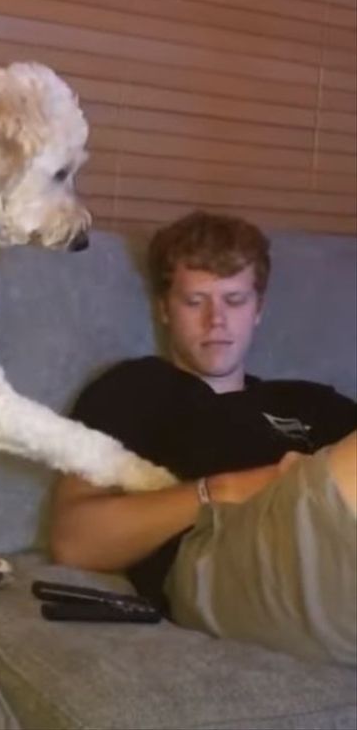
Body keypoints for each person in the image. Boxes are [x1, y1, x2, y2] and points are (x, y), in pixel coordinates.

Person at [50, 210, 356, 665]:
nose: (216, 320)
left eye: (234, 300)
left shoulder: (311, 402)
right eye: (195, 301)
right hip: (226, 565)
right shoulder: (135, 388)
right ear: (164, 309)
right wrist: (228, 488)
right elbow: (74, 540)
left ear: (258, 309)